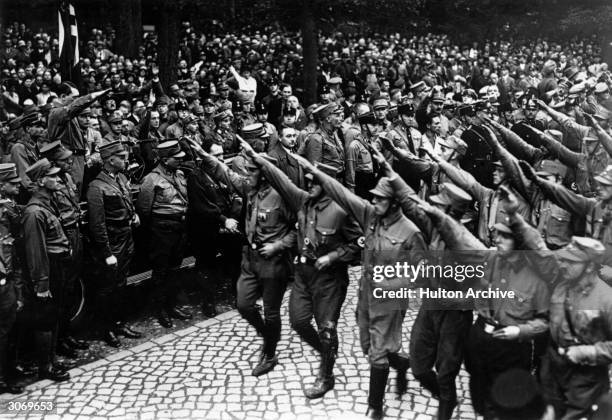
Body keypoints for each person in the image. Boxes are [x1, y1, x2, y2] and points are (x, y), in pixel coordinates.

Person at [291, 153, 425, 419]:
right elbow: (341, 193)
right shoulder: (370, 215)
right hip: (366, 295)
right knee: (367, 346)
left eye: (380, 198)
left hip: (390, 300)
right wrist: (314, 172)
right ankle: (398, 363)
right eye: (373, 197)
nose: (374, 202)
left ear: (395, 202)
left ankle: (375, 406)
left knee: (376, 353)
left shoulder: (411, 232)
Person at [245, 140, 361, 399]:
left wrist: (333, 256)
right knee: (298, 321)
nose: (309, 186)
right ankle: (327, 351)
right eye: (308, 181)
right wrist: (259, 159)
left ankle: (326, 374)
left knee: (326, 327)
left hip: (329, 279)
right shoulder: (302, 201)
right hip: (303, 275)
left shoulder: (342, 210)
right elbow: (281, 181)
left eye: (315, 182)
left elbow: (359, 243)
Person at [199, 146, 296, 377]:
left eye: (251, 171)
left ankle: (270, 353)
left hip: (274, 261)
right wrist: (205, 156)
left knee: (272, 312)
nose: (246, 173)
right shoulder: (250, 189)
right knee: (244, 305)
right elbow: (226, 173)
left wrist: (279, 245)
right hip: (250, 258)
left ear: (264, 174)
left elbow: (299, 227)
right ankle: (268, 335)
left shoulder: (283, 196)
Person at [86, 141, 142, 347]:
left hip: (126, 239)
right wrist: (107, 252)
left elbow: (125, 202)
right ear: (110, 160)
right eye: (122, 157)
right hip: (112, 243)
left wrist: (133, 214)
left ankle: (119, 323)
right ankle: (106, 328)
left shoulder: (121, 178)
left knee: (121, 284)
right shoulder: (96, 187)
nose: (126, 161)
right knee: (107, 287)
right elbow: (97, 224)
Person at [21, 158, 71, 382]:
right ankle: (46, 367)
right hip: (48, 268)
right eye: (53, 176)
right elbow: (36, 251)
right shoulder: (34, 212)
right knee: (45, 318)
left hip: (57, 265)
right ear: (41, 181)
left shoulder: (47, 203)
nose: (59, 179)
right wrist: (42, 284)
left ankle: (52, 360)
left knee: (54, 314)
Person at [39, 141, 88, 358]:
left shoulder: (66, 179)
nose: (70, 162)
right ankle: (59, 340)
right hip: (63, 236)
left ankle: (67, 335)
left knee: (71, 289)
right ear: (53, 163)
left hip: (75, 234)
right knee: (61, 290)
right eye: (64, 160)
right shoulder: (47, 186)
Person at [136, 140, 192, 328]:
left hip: (180, 227)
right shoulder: (151, 179)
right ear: (165, 160)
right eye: (177, 159)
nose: (180, 161)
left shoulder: (180, 174)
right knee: (160, 272)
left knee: (175, 269)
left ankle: (172, 305)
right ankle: (160, 310)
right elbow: (144, 209)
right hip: (162, 230)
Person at [47, 88, 111, 196]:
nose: (78, 100)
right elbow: (75, 107)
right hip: (69, 160)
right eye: (75, 98)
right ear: (63, 97)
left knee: (79, 190)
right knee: (71, 192)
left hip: (78, 159)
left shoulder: (71, 114)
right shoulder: (57, 113)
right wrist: (92, 96)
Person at [0, 164, 23, 394]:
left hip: (9, 274)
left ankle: (10, 370)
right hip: (2, 278)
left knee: (11, 325)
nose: (18, 185)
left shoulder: (9, 207)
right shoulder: (4, 210)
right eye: (13, 183)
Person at [301, 103, 346, 181]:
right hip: (325, 183)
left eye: (341, 115)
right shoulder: (316, 138)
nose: (341, 119)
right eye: (338, 115)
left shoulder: (334, 134)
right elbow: (314, 169)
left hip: (336, 181)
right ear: (328, 118)